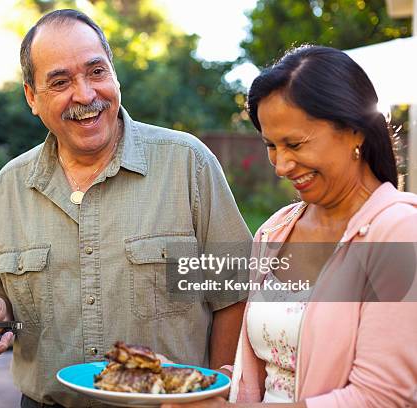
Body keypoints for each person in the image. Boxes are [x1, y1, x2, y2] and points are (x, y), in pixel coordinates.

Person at [0, 9, 252, 408]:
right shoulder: (9, 187)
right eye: (61, 81)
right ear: (32, 97)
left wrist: (219, 391)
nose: (85, 95)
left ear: (114, 74)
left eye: (96, 72)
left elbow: (235, 295)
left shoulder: (189, 165)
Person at [163, 45, 417, 408]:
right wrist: (188, 385)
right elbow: (268, 374)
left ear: (354, 131)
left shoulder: (399, 233)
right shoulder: (275, 231)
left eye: (295, 144)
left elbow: (381, 398)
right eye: (271, 145)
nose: (281, 165)